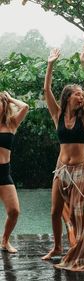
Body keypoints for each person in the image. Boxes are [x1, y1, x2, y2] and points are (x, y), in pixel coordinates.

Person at [42, 45, 84, 272]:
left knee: (77, 214)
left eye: (82, 94)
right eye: (77, 94)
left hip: (81, 171)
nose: (81, 96)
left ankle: (78, 251)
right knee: (56, 210)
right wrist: (50, 64)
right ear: (68, 98)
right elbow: (46, 90)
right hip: (61, 169)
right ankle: (56, 247)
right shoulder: (58, 115)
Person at [0, 91, 29, 253]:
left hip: (4, 173)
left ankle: (5, 241)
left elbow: (25, 107)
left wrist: (10, 98)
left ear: (4, 105)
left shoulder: (11, 124)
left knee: (14, 211)